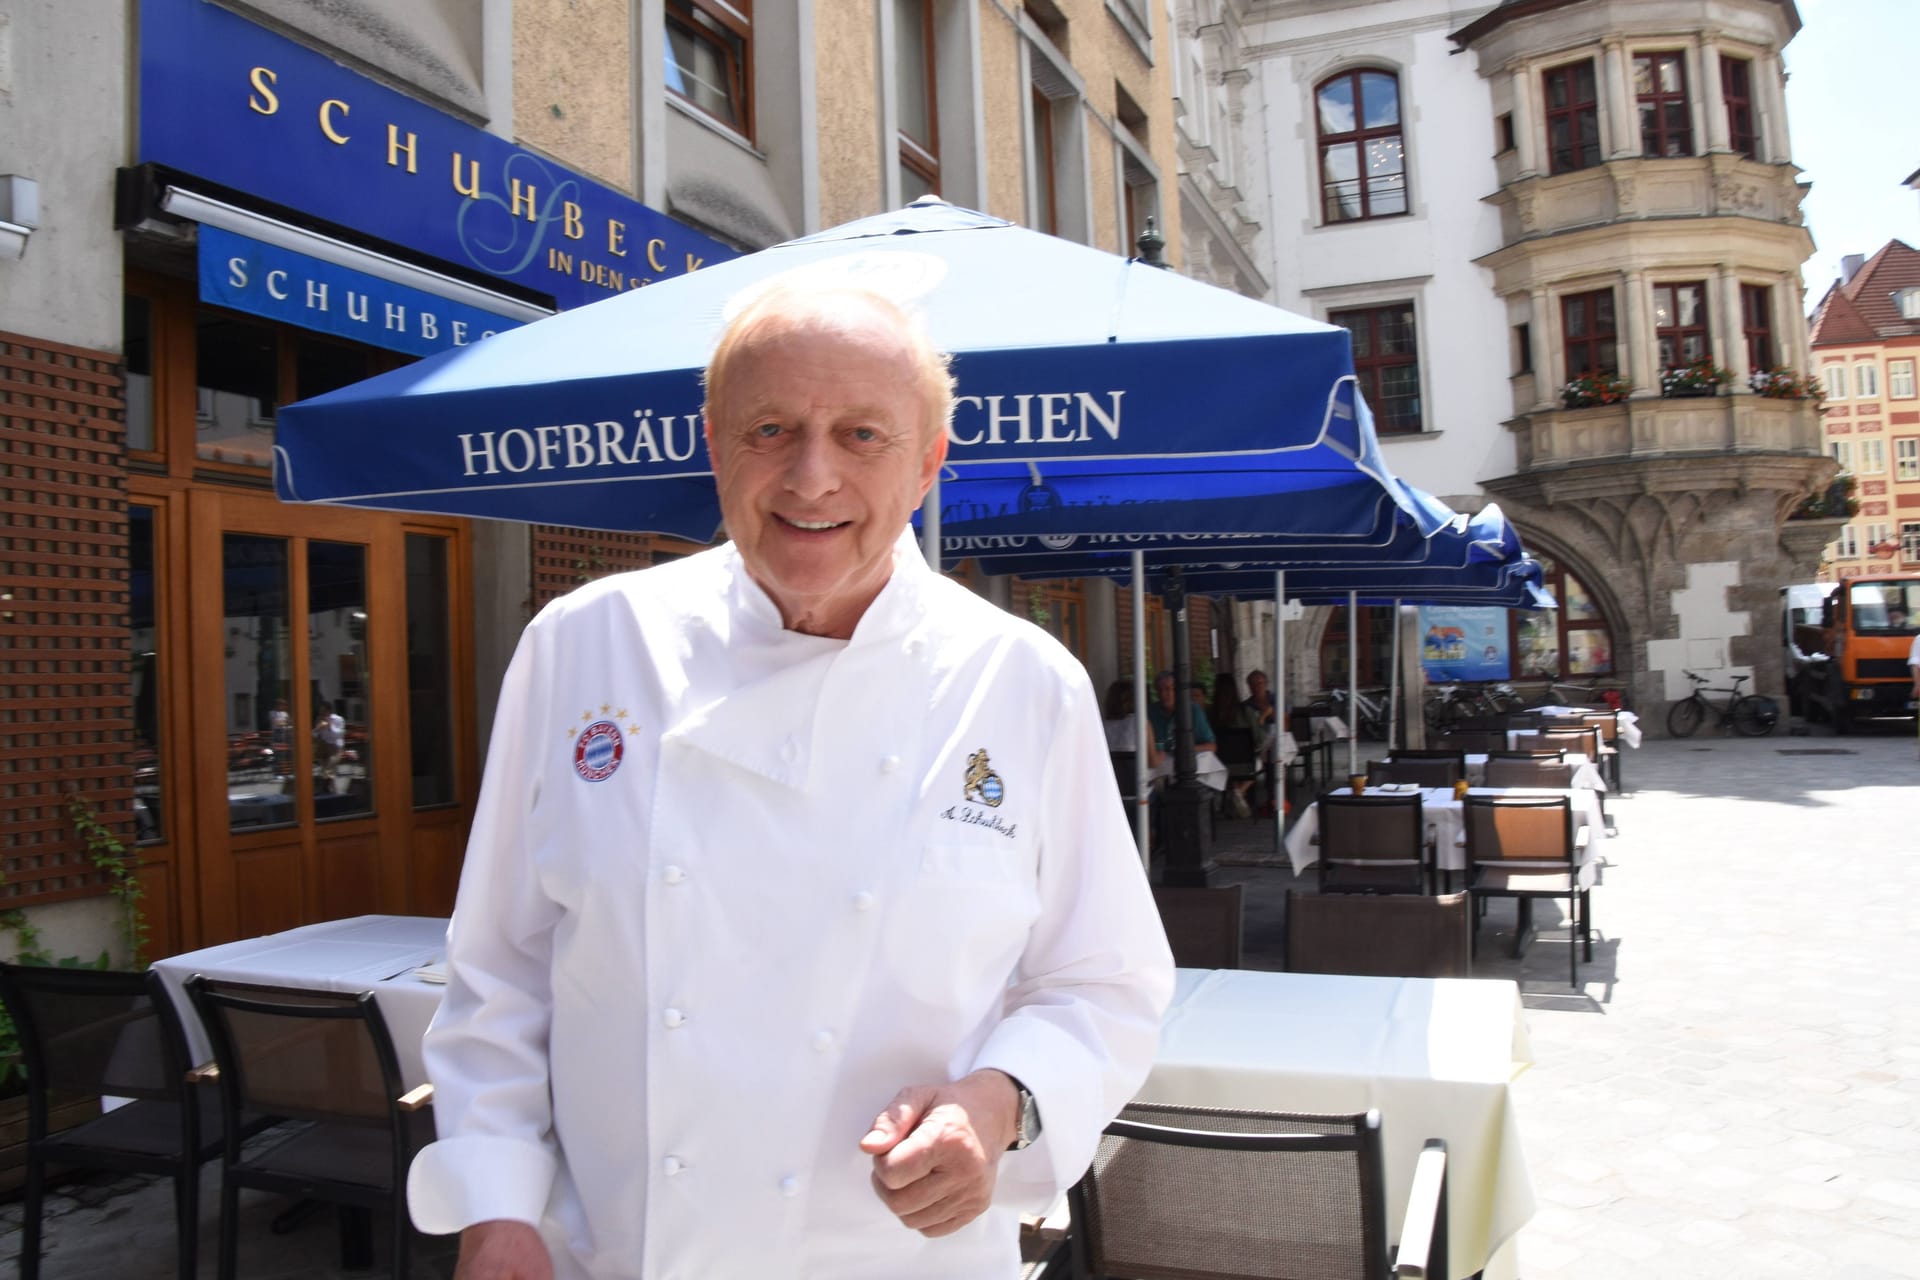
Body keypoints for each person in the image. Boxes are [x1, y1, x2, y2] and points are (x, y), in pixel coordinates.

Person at [408, 283, 1175, 1280]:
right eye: (771, 429)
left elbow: (1104, 983)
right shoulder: (583, 646)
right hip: (621, 1253)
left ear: (929, 461)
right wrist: (498, 1206)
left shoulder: (1023, 682)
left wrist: (1002, 1100)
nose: (812, 478)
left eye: (862, 434)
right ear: (716, 444)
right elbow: (502, 966)